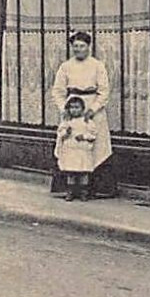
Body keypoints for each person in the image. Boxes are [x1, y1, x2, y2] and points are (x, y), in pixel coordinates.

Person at [50, 31, 114, 199]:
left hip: (93, 109)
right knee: (69, 144)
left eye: (82, 46)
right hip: (72, 109)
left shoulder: (97, 66)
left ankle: (95, 189)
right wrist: (65, 108)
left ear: (88, 47)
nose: (79, 49)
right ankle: (69, 189)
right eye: (76, 46)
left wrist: (93, 109)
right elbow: (57, 91)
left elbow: (104, 91)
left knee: (95, 145)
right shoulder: (65, 67)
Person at [55, 95, 100, 200]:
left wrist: (84, 136)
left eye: (77, 107)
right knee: (71, 172)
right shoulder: (67, 122)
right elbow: (60, 133)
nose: (74, 110)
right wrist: (66, 133)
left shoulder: (87, 121)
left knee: (83, 172)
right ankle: (70, 191)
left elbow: (93, 134)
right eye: (72, 108)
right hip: (71, 150)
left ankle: (83, 192)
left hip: (82, 150)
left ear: (82, 109)